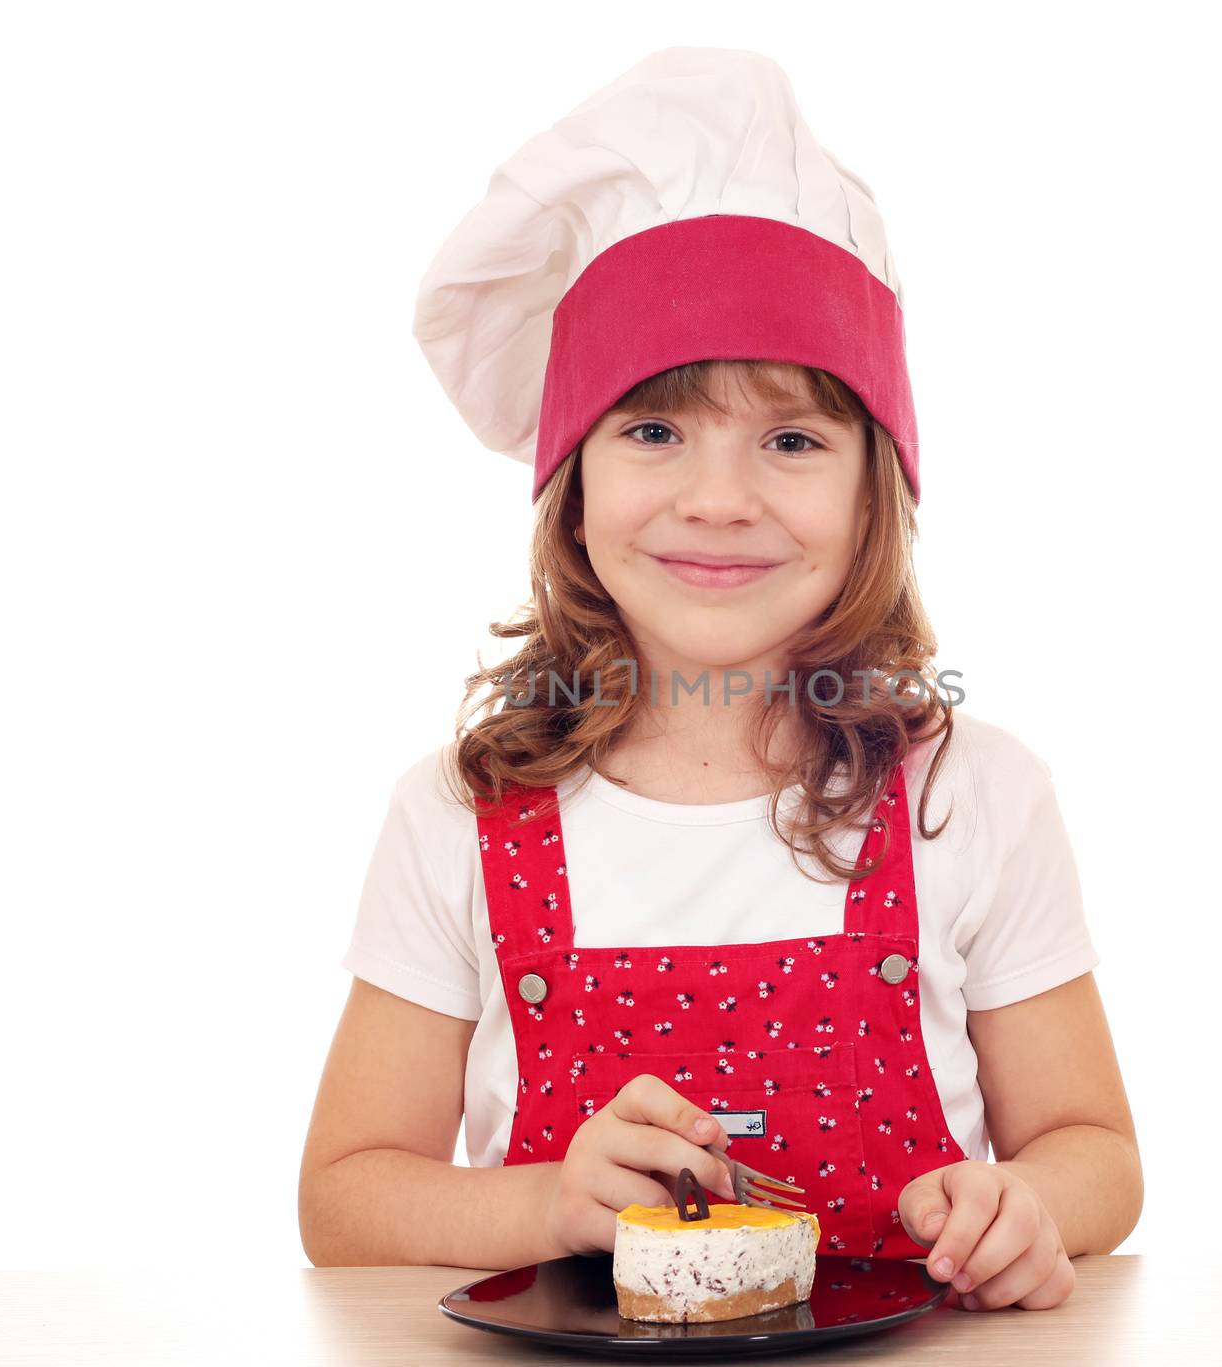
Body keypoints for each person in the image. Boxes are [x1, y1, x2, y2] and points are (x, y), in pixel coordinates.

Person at [299, 46, 1141, 1313]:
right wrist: (543, 1202)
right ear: (571, 479)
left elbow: (1097, 1151)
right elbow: (344, 1197)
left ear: (877, 492)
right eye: (653, 429)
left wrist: (1029, 1205)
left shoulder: (970, 795)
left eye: (793, 438)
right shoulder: (459, 815)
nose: (717, 498)